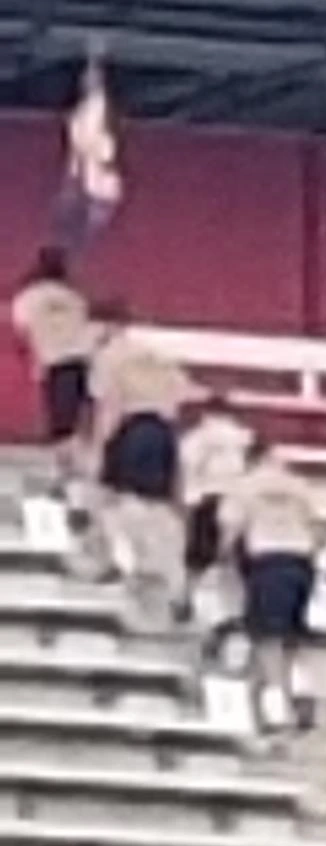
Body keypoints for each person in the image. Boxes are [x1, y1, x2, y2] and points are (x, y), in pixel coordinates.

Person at [85, 300, 191, 623]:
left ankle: (124, 563)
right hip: (163, 430)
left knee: (119, 504)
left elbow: (110, 406)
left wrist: (100, 450)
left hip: (131, 429)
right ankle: (176, 585)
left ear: (105, 325)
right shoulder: (156, 355)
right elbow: (182, 393)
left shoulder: (109, 357)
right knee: (160, 511)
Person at [221, 438, 321, 730]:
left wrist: (224, 560)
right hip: (301, 562)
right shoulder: (300, 486)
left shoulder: (244, 487)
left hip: (268, 561)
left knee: (267, 640)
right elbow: (321, 530)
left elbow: (230, 528)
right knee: (295, 637)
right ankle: (304, 690)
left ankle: (276, 708)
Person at [9, 248, 95, 489]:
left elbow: (22, 332)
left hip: (55, 364)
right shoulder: (74, 297)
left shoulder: (27, 297)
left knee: (60, 427)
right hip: (80, 362)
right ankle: (73, 475)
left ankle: (65, 477)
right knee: (74, 423)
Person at [178, 394, 253, 629]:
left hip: (208, 497)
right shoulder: (245, 437)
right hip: (238, 500)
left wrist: (187, 500)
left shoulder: (198, 437)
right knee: (236, 558)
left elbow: (188, 465)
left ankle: (185, 598)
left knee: (197, 556)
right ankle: (238, 607)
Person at [54, 45, 122, 257]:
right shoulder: (82, 113)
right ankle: (68, 243)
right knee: (68, 209)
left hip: (95, 176)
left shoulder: (97, 110)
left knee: (90, 215)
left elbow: (106, 157)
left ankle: (78, 247)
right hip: (82, 170)